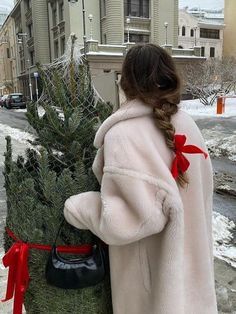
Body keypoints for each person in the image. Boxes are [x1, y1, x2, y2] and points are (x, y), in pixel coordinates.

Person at [64, 44, 217, 314]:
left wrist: (81, 208)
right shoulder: (189, 126)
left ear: (126, 81)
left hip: (153, 293)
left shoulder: (123, 135)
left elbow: (126, 221)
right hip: (193, 284)